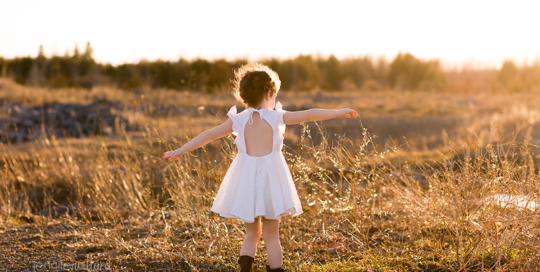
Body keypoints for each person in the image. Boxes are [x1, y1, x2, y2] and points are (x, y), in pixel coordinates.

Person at [162, 63, 358, 272]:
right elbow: (309, 114)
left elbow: (209, 135)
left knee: (251, 234)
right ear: (268, 93)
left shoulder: (237, 120)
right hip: (271, 181)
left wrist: (180, 150)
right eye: (274, 95)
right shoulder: (276, 117)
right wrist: (338, 112)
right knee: (271, 236)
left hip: (246, 181)